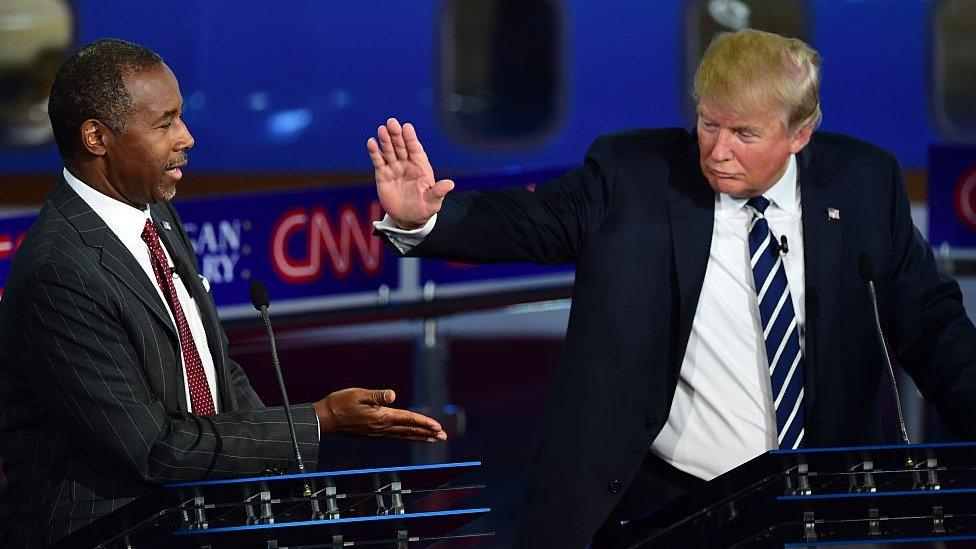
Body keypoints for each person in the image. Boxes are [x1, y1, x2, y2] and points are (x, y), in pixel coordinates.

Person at [368, 29, 976, 547]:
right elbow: (530, 223)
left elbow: (930, 322)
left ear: (800, 133)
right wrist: (424, 219)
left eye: (744, 133)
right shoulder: (633, 175)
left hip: (817, 509)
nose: (718, 151)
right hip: (666, 506)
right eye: (708, 123)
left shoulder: (865, 185)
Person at [0, 38, 447, 548]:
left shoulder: (156, 216)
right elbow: (154, 449)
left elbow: (213, 373)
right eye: (164, 123)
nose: (186, 137)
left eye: (181, 117)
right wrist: (317, 421)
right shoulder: (60, 271)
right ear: (97, 137)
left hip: (194, 524)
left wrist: (280, 480)